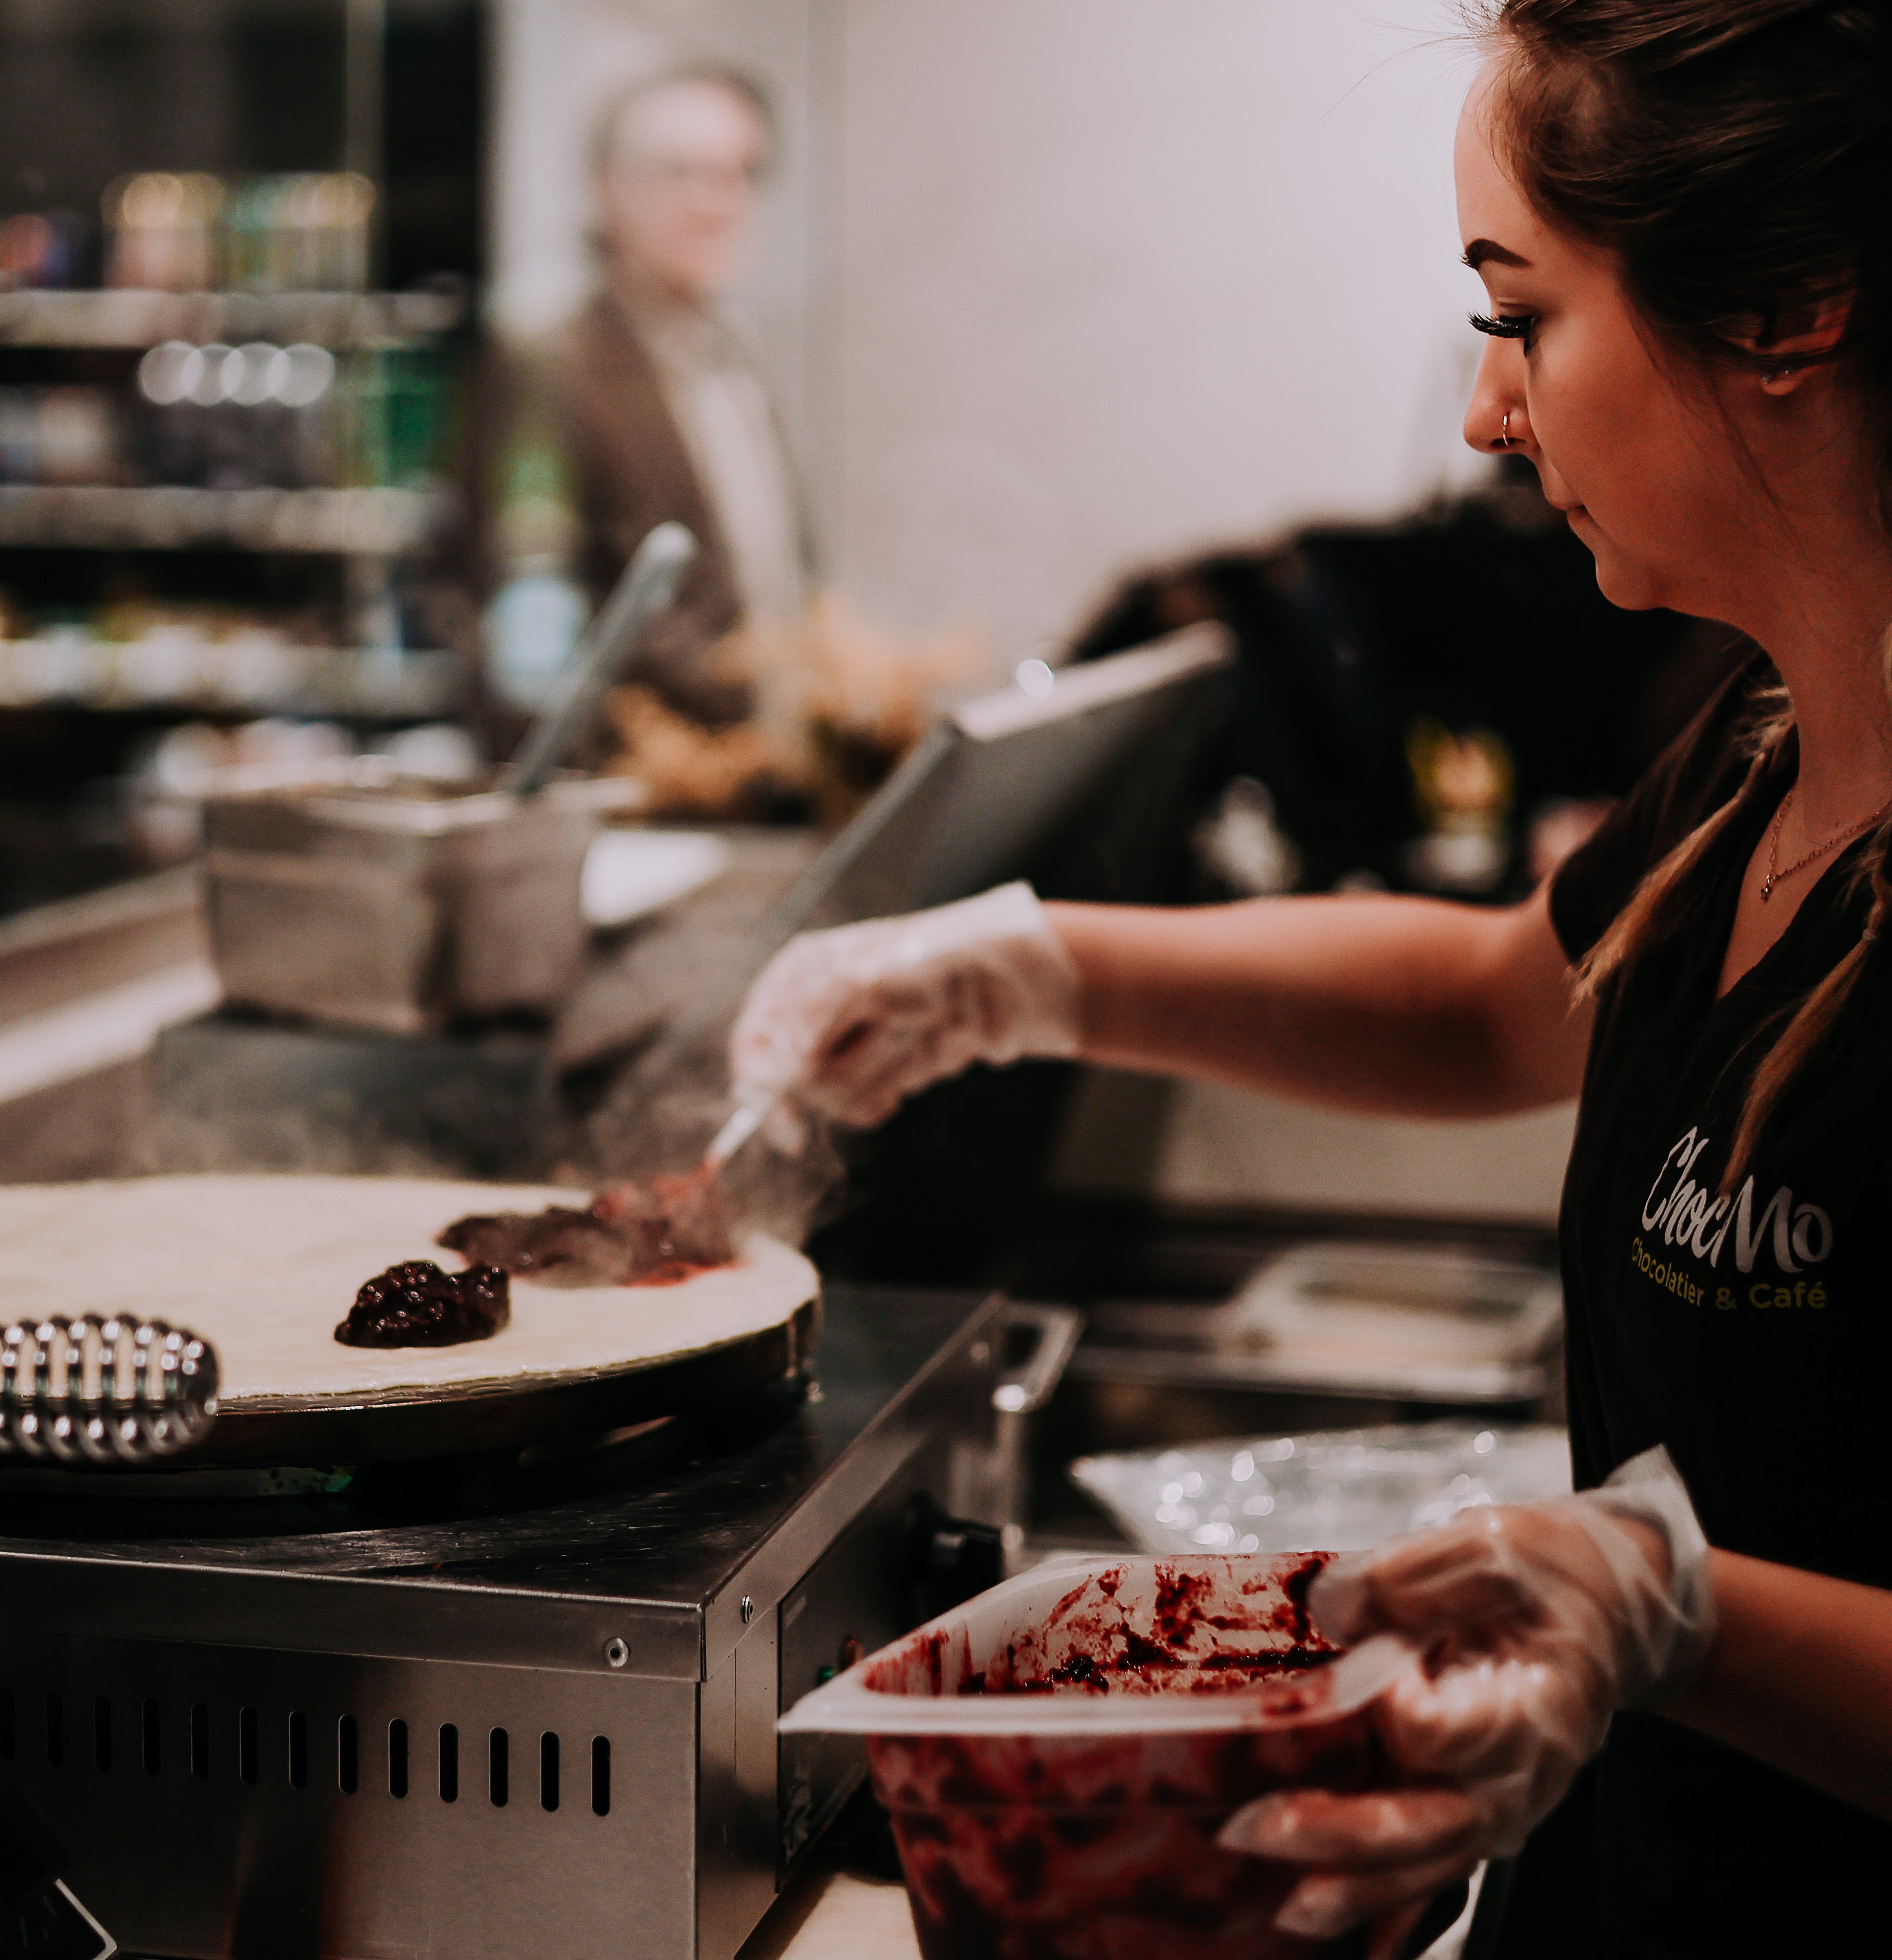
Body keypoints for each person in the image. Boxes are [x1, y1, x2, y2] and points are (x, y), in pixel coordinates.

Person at [725, 4, 1892, 1956]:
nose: (1484, 421)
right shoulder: (1759, 757)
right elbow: (1485, 1004)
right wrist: (1027, 969)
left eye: (1519, 317)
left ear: (1786, 308)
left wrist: (1666, 1609)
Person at [477, 62, 810, 730]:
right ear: (604, 189)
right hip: (642, 799)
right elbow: (527, 618)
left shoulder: (734, 357)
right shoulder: (549, 364)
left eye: (739, 173)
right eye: (678, 173)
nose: (714, 202)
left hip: (760, 783)